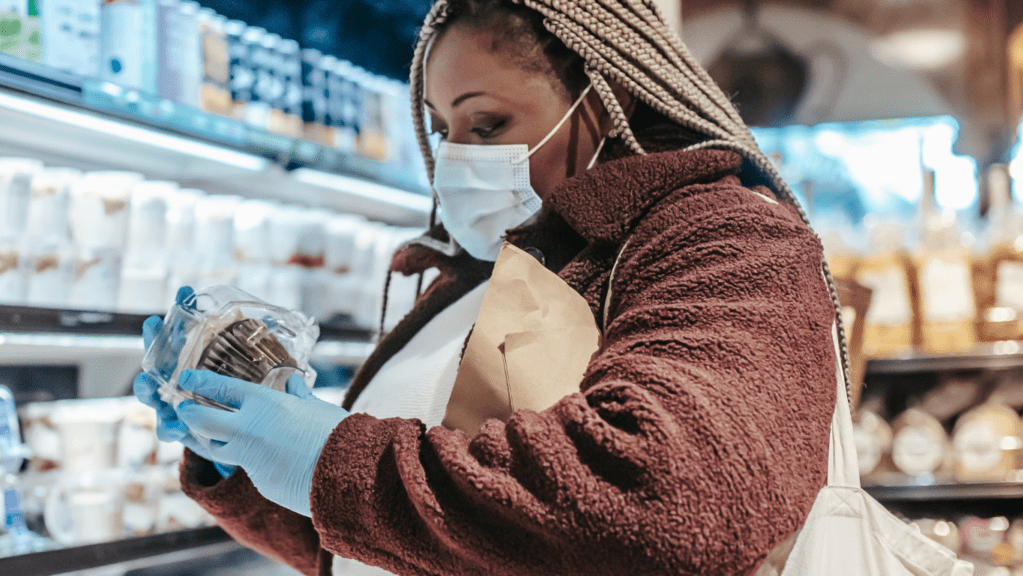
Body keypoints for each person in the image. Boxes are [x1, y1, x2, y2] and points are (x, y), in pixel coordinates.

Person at [134, 1, 848, 574]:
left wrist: (329, 460)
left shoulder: (723, 241)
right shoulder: (466, 283)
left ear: (606, 96)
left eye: (487, 123)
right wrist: (247, 457)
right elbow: (413, 541)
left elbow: (672, 503)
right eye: (444, 129)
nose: (454, 158)